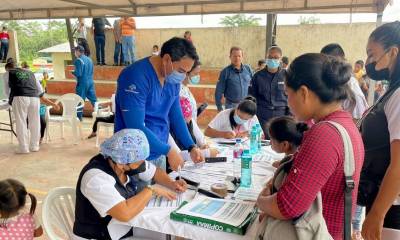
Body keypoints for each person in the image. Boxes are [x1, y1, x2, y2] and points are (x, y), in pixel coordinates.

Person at [256, 53, 364, 239]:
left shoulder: (324, 134)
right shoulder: (345, 124)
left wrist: (261, 201)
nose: (288, 103)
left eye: (288, 94)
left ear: (304, 93)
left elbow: (287, 206)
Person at [73, 129, 187, 239]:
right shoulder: (96, 177)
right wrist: (151, 190)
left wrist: (172, 183)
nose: (142, 165)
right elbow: (124, 213)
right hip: (99, 235)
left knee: (167, 233)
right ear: (120, 164)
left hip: (122, 227)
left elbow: (155, 172)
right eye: (138, 163)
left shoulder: (128, 161)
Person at [114, 37, 203, 172]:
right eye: (181, 70)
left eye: (187, 72)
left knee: (161, 191)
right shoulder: (136, 76)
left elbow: (176, 117)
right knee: (143, 192)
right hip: (133, 157)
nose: (183, 77)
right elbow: (135, 127)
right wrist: (169, 151)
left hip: (158, 152)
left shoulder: (171, 79)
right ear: (167, 59)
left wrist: (191, 146)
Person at [358, 21, 400, 240]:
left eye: (372, 54)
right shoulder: (391, 91)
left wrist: (377, 213)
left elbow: (399, 163)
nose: (369, 62)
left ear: (393, 52)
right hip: (382, 196)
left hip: (391, 206)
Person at [321, 43, 369, 121]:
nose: (324, 68)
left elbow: (357, 120)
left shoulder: (351, 87)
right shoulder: (330, 82)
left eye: (327, 63)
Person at [248, 46, 289, 138]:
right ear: (266, 57)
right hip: (262, 116)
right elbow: (251, 98)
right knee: (263, 142)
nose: (272, 60)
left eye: (276, 57)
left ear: (281, 59)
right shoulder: (257, 76)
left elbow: (292, 97)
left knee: (280, 141)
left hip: (281, 115)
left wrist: (289, 117)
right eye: (270, 57)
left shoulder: (287, 75)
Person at [4, 61, 43, 153]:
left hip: (19, 97)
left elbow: (6, 92)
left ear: (8, 68)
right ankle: (34, 146)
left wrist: (10, 99)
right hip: (34, 98)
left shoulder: (8, 73)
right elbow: (40, 89)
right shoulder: (30, 72)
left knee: (21, 122)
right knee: (35, 122)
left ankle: (24, 148)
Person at [169, 97, 218, 162]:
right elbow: (177, 155)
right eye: (185, 123)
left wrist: (204, 145)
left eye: (190, 119)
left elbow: (201, 140)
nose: (187, 126)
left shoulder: (190, 121)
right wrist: (205, 153)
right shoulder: (166, 129)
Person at [215, 46, 253, 111]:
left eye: (239, 56)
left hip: (246, 105)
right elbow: (218, 91)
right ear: (230, 57)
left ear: (242, 57)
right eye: (234, 56)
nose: (237, 58)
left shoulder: (248, 69)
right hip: (231, 106)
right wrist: (219, 107)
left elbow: (254, 84)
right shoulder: (225, 72)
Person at [72, 45, 97, 120]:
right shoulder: (89, 60)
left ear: (78, 51)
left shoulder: (78, 60)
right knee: (94, 100)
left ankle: (79, 118)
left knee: (79, 100)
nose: (75, 53)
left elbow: (78, 73)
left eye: (75, 51)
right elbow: (92, 71)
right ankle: (100, 113)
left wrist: (73, 72)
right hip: (90, 82)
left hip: (82, 83)